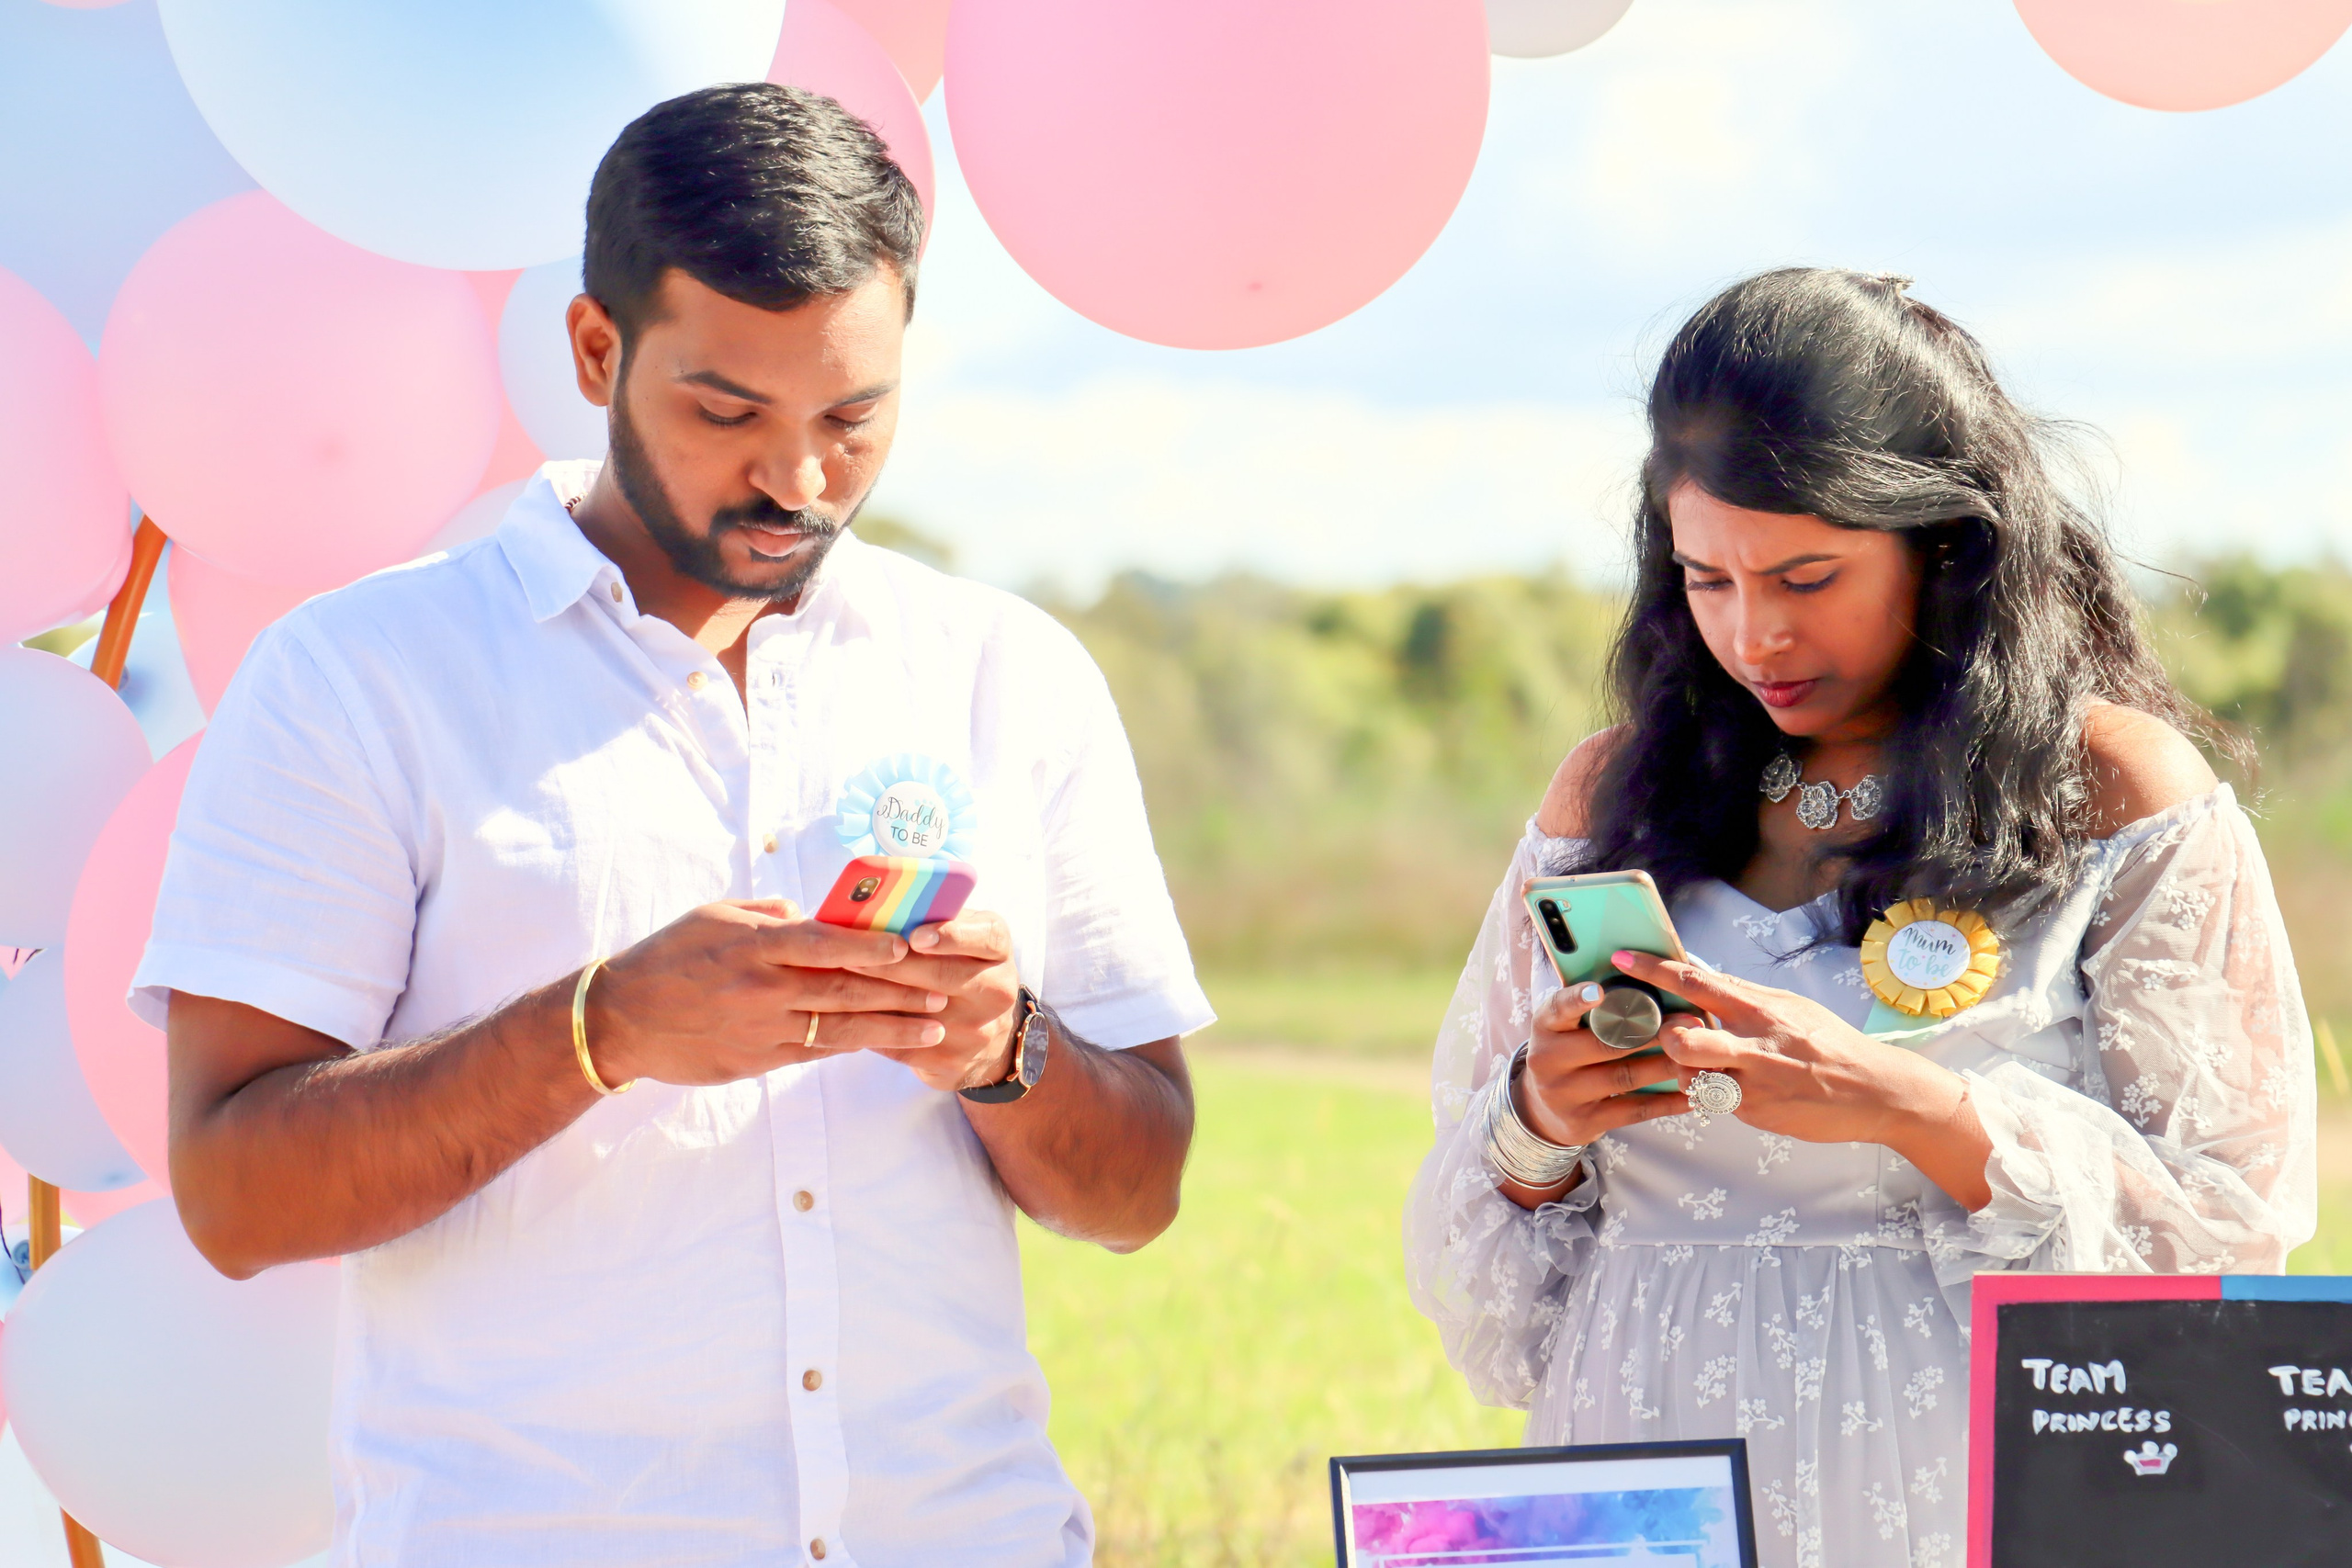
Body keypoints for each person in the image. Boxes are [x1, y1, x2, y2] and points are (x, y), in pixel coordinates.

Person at [140, 84, 1212, 1566]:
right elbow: (235, 1194)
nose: (799, 479)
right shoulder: (357, 680)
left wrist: (999, 1048)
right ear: (595, 350)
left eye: (855, 416)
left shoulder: (1004, 671)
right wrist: (600, 1030)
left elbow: (1141, 1188)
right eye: (727, 413)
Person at [1405, 267, 2316, 1568]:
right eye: (1707, 579)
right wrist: (1538, 1122)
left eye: (1808, 574)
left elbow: (2230, 1236)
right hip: (1640, 1482)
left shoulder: (2114, 791)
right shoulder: (1611, 795)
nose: (1755, 632)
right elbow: (1487, 1295)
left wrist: (1911, 1107)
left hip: (1966, 1496)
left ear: (1945, 543)